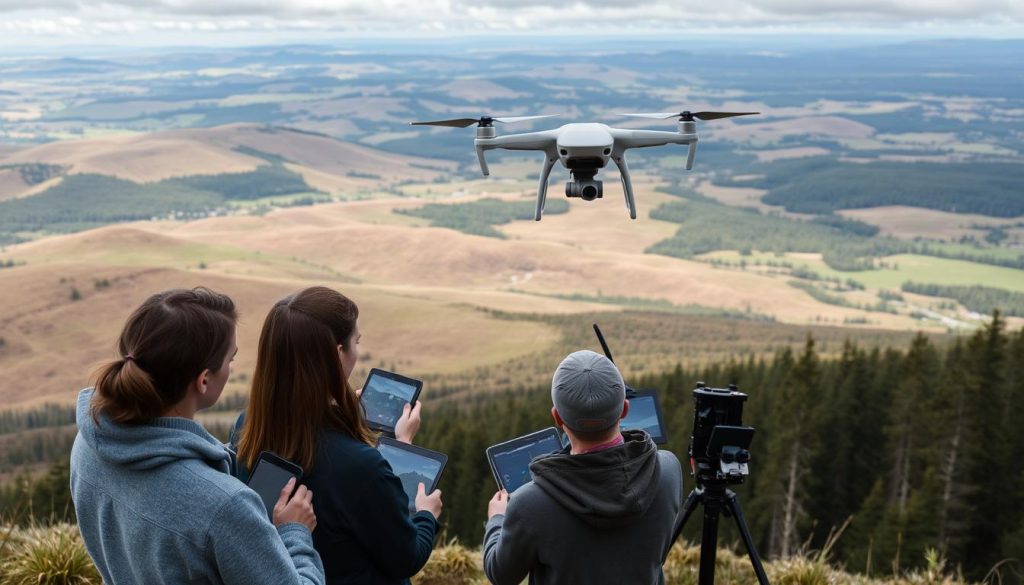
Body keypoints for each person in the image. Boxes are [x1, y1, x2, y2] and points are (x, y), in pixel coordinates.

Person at [70, 287, 325, 585]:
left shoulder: (90, 443)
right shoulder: (225, 506)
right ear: (203, 380)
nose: (231, 368)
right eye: (230, 359)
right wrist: (294, 532)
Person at [231, 286, 442, 585]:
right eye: (355, 342)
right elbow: (406, 558)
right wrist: (426, 515)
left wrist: (342, 418)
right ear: (337, 353)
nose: (357, 351)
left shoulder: (247, 428)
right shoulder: (361, 466)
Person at [482, 350, 684, 585]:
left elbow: (501, 575)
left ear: (557, 418)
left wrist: (497, 519)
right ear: (625, 409)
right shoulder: (668, 469)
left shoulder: (529, 504)